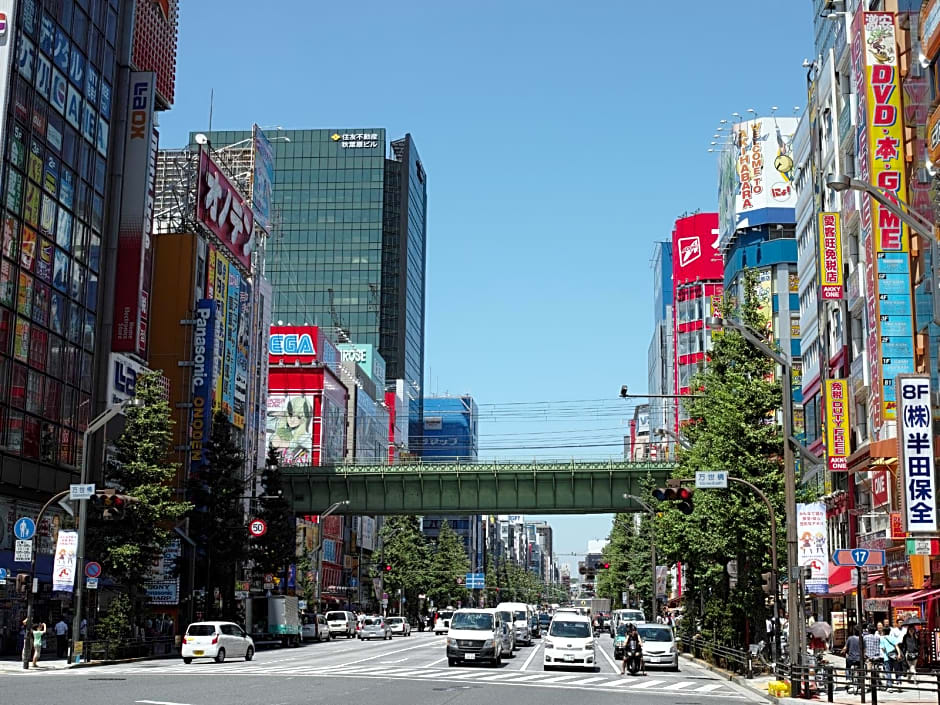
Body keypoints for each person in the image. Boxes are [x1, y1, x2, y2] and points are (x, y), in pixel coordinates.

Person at [880, 625, 902, 690]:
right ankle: (899, 684)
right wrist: (899, 654)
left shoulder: (882, 638)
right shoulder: (893, 638)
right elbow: (897, 646)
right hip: (895, 656)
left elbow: (883, 648)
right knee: (897, 670)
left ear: (883, 632)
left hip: (887, 657)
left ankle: (889, 686)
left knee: (888, 671)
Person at [841, 627, 862, 691]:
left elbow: (845, 648)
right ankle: (860, 681)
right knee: (861, 668)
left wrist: (842, 651)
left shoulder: (850, 638)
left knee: (847, 667)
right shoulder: (861, 639)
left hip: (851, 659)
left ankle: (848, 679)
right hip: (859, 658)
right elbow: (864, 650)